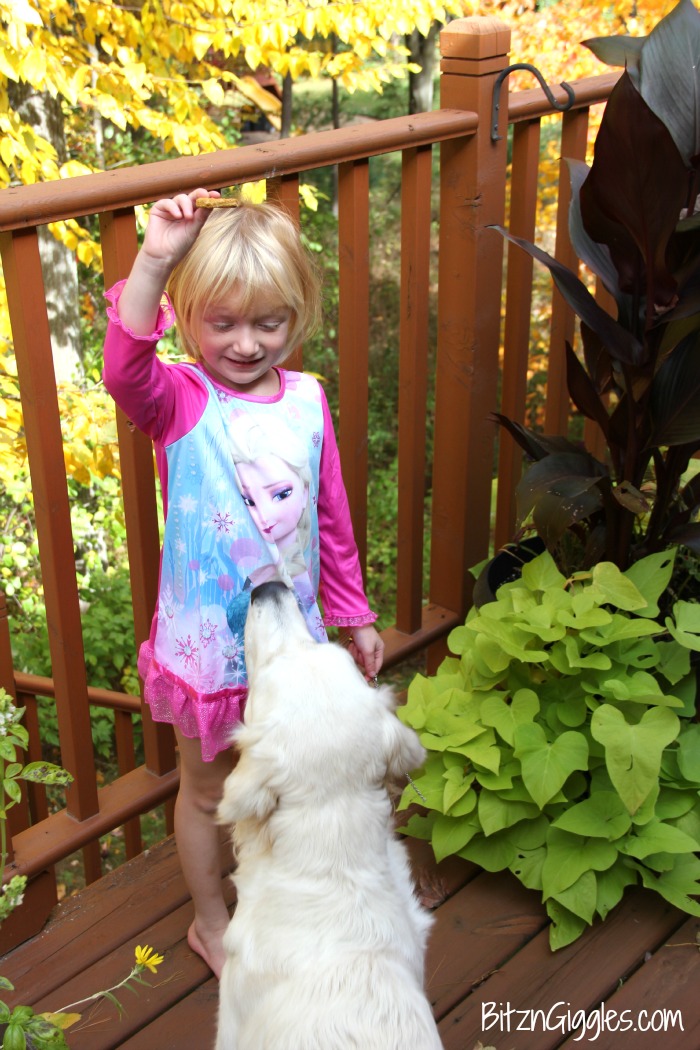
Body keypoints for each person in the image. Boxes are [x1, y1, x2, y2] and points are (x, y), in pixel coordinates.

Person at [102, 188, 385, 978]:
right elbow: (125, 369)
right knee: (204, 794)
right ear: (189, 318)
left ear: (298, 317)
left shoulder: (307, 400)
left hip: (292, 647)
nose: (247, 343)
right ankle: (211, 921)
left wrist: (354, 614)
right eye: (222, 322)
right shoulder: (181, 402)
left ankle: (287, 901)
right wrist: (157, 256)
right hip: (209, 653)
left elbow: (330, 520)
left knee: (293, 783)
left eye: (269, 322)